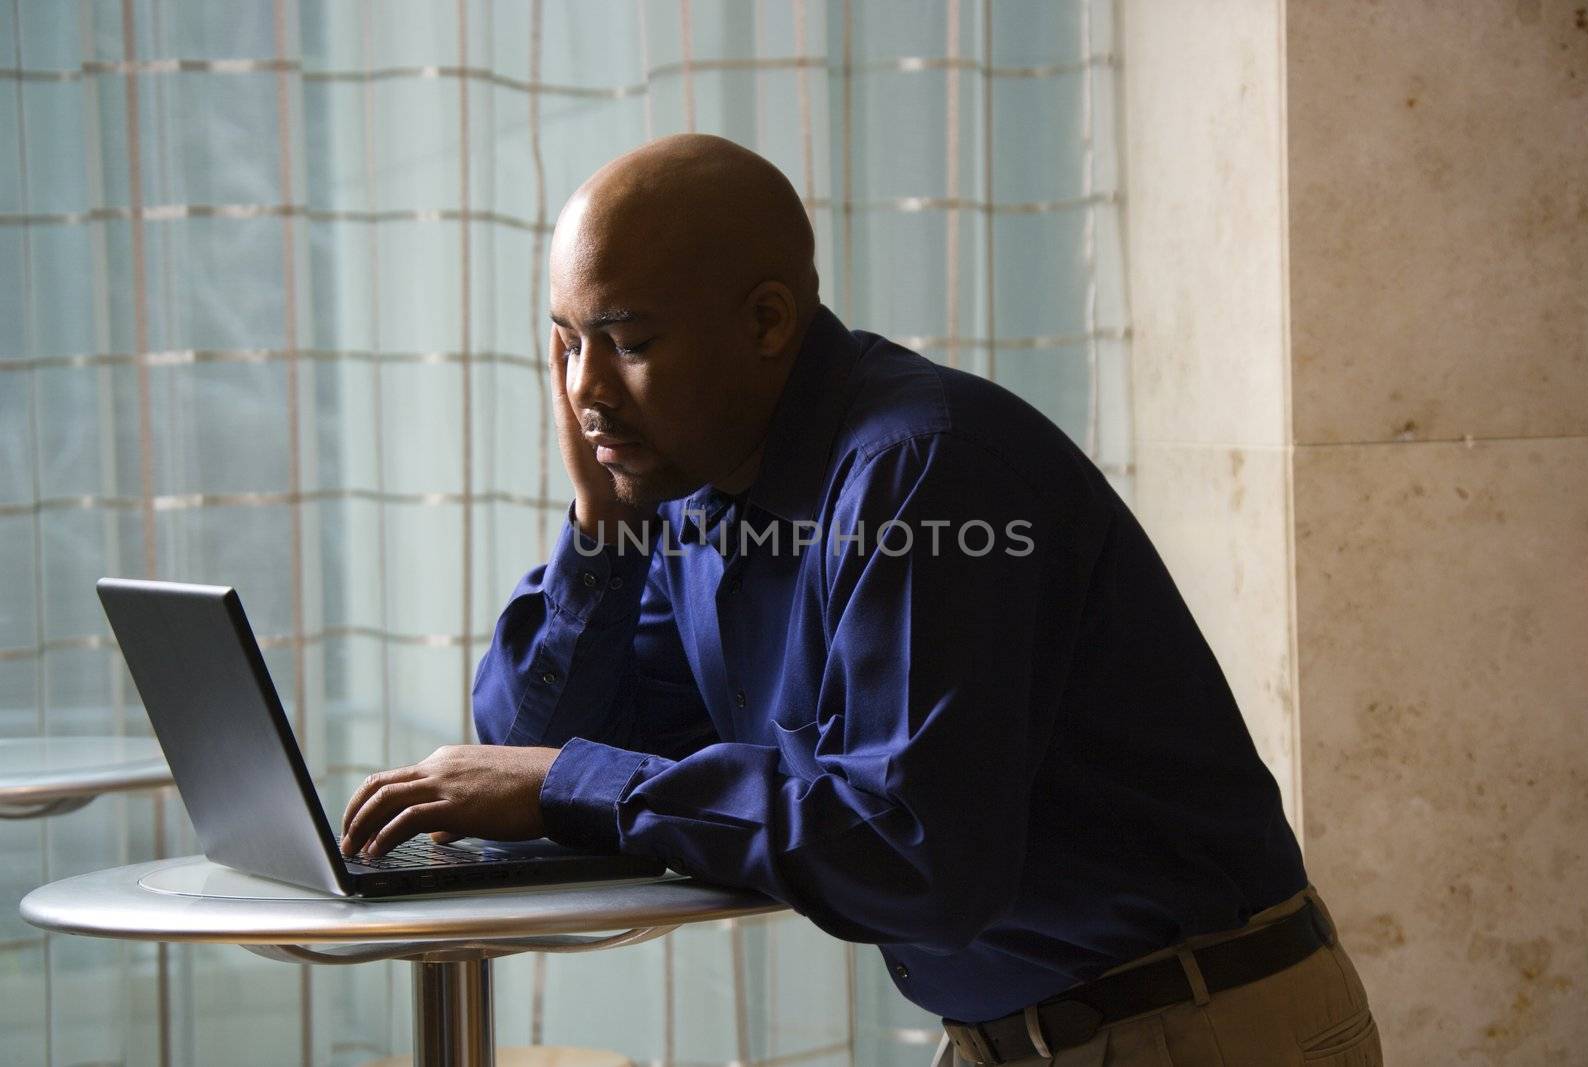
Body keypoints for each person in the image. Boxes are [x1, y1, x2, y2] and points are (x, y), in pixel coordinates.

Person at [340, 134, 1381, 1066]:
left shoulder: (926, 473)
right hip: (1029, 1036)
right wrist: (599, 529)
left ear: (766, 321)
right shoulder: (696, 499)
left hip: (1200, 1030)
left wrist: (574, 780)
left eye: (629, 341)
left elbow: (913, 854)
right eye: (566, 345)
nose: (586, 391)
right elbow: (533, 756)